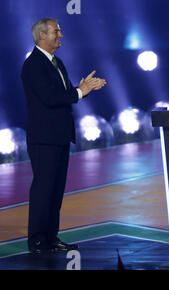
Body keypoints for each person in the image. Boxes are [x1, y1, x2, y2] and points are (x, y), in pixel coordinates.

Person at [21, 17, 107, 254]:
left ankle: (50, 237)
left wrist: (83, 89)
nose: (60, 35)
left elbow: (67, 93)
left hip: (59, 136)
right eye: (56, 32)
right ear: (42, 36)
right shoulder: (33, 65)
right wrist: (79, 91)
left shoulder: (56, 62)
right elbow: (49, 98)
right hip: (44, 138)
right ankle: (37, 240)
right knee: (43, 189)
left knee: (56, 190)